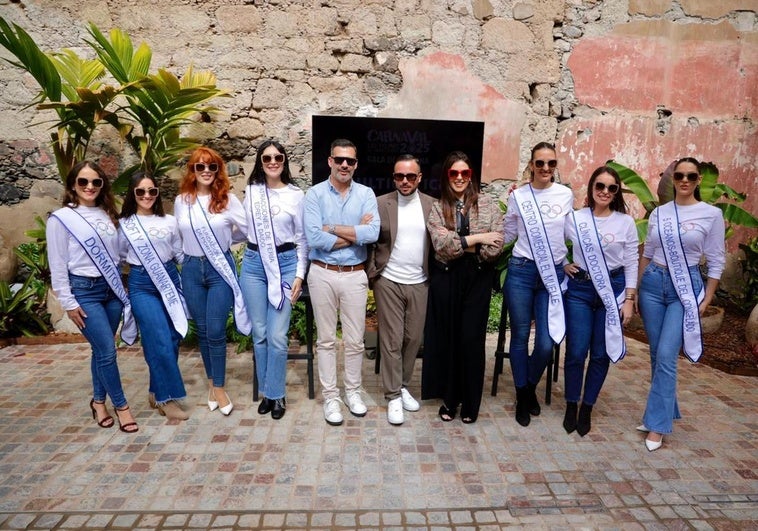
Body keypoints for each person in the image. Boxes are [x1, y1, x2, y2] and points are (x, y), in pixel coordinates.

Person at [637, 157, 725, 451]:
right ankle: (665, 408)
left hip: (684, 287)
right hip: (652, 283)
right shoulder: (660, 213)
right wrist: (636, 287)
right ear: (672, 179)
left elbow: (715, 259)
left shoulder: (711, 215)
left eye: (690, 176)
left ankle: (657, 425)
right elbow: (648, 251)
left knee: (666, 355)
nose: (684, 180)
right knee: (655, 353)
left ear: (699, 179)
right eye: (679, 176)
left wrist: (709, 296)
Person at [47, 161, 139, 433]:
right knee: (108, 351)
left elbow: (119, 254)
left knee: (101, 349)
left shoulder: (107, 214)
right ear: (73, 185)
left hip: (111, 291)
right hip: (83, 291)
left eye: (96, 182)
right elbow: (58, 263)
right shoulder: (61, 218)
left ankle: (98, 402)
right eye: (83, 182)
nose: (89, 187)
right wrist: (68, 301)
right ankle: (122, 407)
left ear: (102, 185)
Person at [421, 151, 504, 424]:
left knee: (471, 340)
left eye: (464, 173)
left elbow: (496, 248)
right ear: (447, 176)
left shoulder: (489, 205)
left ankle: (470, 402)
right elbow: (441, 246)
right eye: (453, 173)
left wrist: (462, 243)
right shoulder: (437, 207)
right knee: (449, 339)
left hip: (477, 278)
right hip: (447, 278)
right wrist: (479, 238)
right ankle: (449, 399)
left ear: (471, 176)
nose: (459, 178)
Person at [304, 138, 380, 426]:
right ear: (330, 161)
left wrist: (332, 228)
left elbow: (371, 233)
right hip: (321, 272)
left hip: (354, 275)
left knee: (355, 341)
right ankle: (332, 397)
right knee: (325, 340)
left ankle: (353, 391)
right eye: (339, 159)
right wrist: (353, 233)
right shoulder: (314, 195)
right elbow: (314, 238)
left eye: (350, 160)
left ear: (356, 164)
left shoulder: (366, 194)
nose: (344, 165)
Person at [562, 166, 638, 436]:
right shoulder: (575, 218)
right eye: (600, 186)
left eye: (611, 188)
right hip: (580, 290)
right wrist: (563, 264)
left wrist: (629, 299)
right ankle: (572, 403)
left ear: (616, 192)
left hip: (613, 290)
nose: (605, 192)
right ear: (592, 188)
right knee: (576, 350)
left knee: (601, 353)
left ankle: (587, 406)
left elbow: (631, 261)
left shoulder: (625, 222)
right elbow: (553, 242)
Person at [174, 147, 250, 416]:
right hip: (192, 270)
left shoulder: (227, 200)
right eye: (200, 167)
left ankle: (219, 387)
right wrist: (186, 260)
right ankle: (211, 383)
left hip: (220, 269)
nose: (206, 171)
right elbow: (178, 237)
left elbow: (248, 231)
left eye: (212, 167)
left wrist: (228, 243)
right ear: (192, 172)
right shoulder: (182, 201)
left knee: (216, 331)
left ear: (218, 171)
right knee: (203, 331)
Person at [503, 142, 573, 427]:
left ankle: (528, 388)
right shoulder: (518, 196)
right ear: (531, 165)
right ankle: (523, 394)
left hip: (552, 275)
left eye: (551, 163)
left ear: (556, 166)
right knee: (519, 336)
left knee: (546, 342)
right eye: (540, 163)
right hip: (521, 270)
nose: (545, 168)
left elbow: (571, 232)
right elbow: (508, 232)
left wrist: (569, 260)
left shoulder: (566, 194)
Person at [240, 140, 308, 420]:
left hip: (286, 263)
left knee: (278, 336)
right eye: (266, 158)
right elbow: (241, 226)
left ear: (284, 161)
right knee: (260, 333)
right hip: (255, 265)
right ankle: (269, 392)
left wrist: (300, 275)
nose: (272, 162)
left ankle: (276, 394)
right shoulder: (251, 192)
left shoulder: (296, 194)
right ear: (260, 161)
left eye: (278, 157)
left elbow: (302, 239)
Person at [367, 154, 434, 425]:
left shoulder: (433, 205)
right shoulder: (381, 203)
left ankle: (403, 384)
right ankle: (393, 395)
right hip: (389, 281)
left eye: (410, 176)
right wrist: (374, 275)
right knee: (391, 340)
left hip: (420, 281)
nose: (404, 181)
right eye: (399, 176)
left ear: (419, 177)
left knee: (413, 338)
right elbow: (369, 241)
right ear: (393, 177)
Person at [119, 171, 189, 421]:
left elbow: (179, 254)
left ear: (157, 193)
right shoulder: (125, 224)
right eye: (140, 191)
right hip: (141, 284)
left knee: (171, 338)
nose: (147, 196)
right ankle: (166, 398)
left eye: (151, 191)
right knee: (158, 337)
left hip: (169, 279)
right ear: (133, 194)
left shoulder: (169, 221)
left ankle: (154, 390)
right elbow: (119, 257)